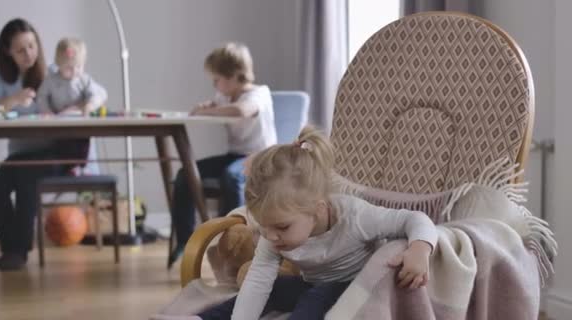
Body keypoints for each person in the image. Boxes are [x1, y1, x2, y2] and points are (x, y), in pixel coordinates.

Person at [167, 126, 438, 320]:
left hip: (358, 286)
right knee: (270, 289)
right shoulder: (274, 235)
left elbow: (413, 218)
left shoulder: (355, 217)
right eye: (264, 227)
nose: (271, 237)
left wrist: (420, 249)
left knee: (316, 299)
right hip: (312, 284)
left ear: (317, 210)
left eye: (281, 227)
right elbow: (258, 283)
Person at [0, 19, 98, 271]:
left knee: (27, 179)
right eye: (20, 50)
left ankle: (19, 251)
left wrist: (79, 108)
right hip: (20, 154)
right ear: (7, 52)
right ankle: (10, 248)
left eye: (32, 46)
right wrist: (13, 99)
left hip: (54, 153)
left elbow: (86, 95)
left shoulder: (56, 73)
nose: (28, 54)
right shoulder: (0, 75)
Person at [168, 42, 277, 267]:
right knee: (185, 173)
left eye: (217, 79)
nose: (214, 85)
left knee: (232, 176)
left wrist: (207, 109)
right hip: (235, 155)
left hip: (260, 157)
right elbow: (216, 104)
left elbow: (242, 111)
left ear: (235, 76)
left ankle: (233, 239)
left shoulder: (259, 93)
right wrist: (208, 104)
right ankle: (185, 240)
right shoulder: (224, 97)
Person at [36, 37, 107, 116]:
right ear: (58, 64)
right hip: (57, 118)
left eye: (79, 66)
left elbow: (95, 94)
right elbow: (41, 97)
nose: (74, 71)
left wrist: (90, 105)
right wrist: (46, 111)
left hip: (81, 116)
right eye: (68, 67)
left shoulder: (84, 80)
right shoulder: (50, 80)